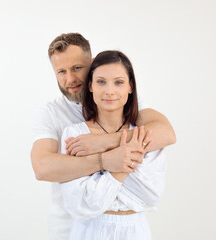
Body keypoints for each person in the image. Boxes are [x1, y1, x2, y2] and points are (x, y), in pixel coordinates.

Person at [30, 33, 175, 239]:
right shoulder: (52, 113)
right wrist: (107, 160)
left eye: (77, 68)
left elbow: (166, 133)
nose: (70, 79)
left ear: (91, 64)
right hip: (69, 225)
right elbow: (43, 168)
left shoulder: (120, 99)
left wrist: (103, 142)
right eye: (61, 71)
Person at [59, 50, 166, 239]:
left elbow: (150, 194)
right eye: (101, 82)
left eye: (118, 82)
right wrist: (121, 162)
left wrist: (100, 167)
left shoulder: (144, 132)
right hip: (89, 231)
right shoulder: (75, 135)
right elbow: (79, 204)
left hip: (135, 231)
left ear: (130, 87)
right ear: (90, 85)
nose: (109, 91)